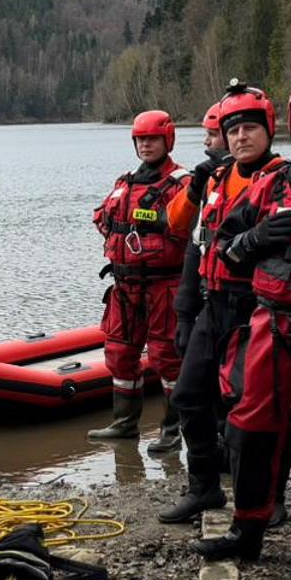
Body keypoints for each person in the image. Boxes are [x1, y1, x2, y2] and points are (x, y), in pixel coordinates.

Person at [195, 75, 291, 574]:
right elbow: (226, 249)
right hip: (272, 319)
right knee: (249, 424)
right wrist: (257, 237)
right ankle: (247, 528)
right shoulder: (272, 185)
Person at [159, 82, 291, 528]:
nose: (240, 137)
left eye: (250, 128)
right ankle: (204, 487)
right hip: (213, 304)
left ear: (269, 131)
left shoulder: (284, 178)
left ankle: (272, 494)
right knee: (188, 396)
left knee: (263, 407)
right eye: (232, 130)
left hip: (259, 307)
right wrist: (184, 311)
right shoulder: (215, 178)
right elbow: (190, 240)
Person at [87, 110, 193, 444]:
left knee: (167, 358)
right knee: (119, 354)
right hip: (124, 286)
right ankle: (124, 423)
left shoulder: (183, 184)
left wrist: (154, 223)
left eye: (153, 139)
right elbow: (102, 217)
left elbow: (187, 228)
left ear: (167, 140)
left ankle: (172, 430)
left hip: (164, 286)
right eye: (141, 140)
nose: (146, 145)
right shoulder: (125, 182)